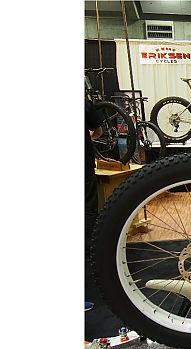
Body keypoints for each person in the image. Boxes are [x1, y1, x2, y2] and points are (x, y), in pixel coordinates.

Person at [85, 99, 103, 312]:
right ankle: (90, 249)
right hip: (83, 160)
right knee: (88, 205)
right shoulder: (84, 103)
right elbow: (97, 130)